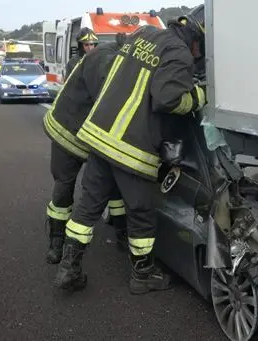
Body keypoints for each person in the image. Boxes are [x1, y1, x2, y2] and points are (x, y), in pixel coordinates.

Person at [53, 4, 207, 294]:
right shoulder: (180, 54)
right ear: (195, 38)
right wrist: (199, 96)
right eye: (200, 48)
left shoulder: (144, 34)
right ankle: (142, 275)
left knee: (88, 206)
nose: (198, 56)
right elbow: (167, 99)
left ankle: (68, 268)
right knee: (142, 211)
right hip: (131, 148)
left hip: (99, 137)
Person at [42, 37, 128, 264]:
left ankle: (56, 244)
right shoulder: (106, 59)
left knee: (69, 185)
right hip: (74, 131)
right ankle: (59, 243)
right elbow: (108, 96)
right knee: (78, 185)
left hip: (74, 127)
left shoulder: (104, 54)